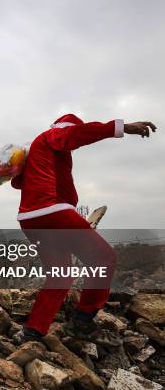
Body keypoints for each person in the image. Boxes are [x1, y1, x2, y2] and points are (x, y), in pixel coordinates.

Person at [11, 114, 157, 345]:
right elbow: (76, 135)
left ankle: (32, 332)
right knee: (104, 257)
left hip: (29, 219)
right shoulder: (53, 135)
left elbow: (16, 182)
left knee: (61, 274)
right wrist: (120, 128)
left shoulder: (39, 152)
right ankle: (83, 321)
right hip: (51, 214)